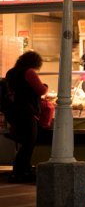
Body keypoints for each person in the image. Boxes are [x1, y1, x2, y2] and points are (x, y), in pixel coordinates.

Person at [5, 51, 48, 183]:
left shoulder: (11, 72)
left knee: (25, 142)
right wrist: (45, 86)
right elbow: (41, 90)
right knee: (29, 142)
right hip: (27, 111)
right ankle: (21, 172)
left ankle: (22, 170)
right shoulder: (29, 72)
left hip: (13, 112)